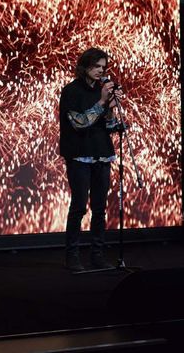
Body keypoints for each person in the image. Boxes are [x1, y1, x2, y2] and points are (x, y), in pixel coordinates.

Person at [59, 47, 123, 272]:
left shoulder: (102, 90)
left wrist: (112, 109)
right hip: (79, 155)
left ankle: (97, 255)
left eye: (103, 67)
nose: (101, 71)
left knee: (99, 208)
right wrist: (102, 102)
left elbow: (110, 125)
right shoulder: (71, 91)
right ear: (85, 66)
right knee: (79, 206)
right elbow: (79, 123)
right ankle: (72, 256)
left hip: (102, 153)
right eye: (96, 66)